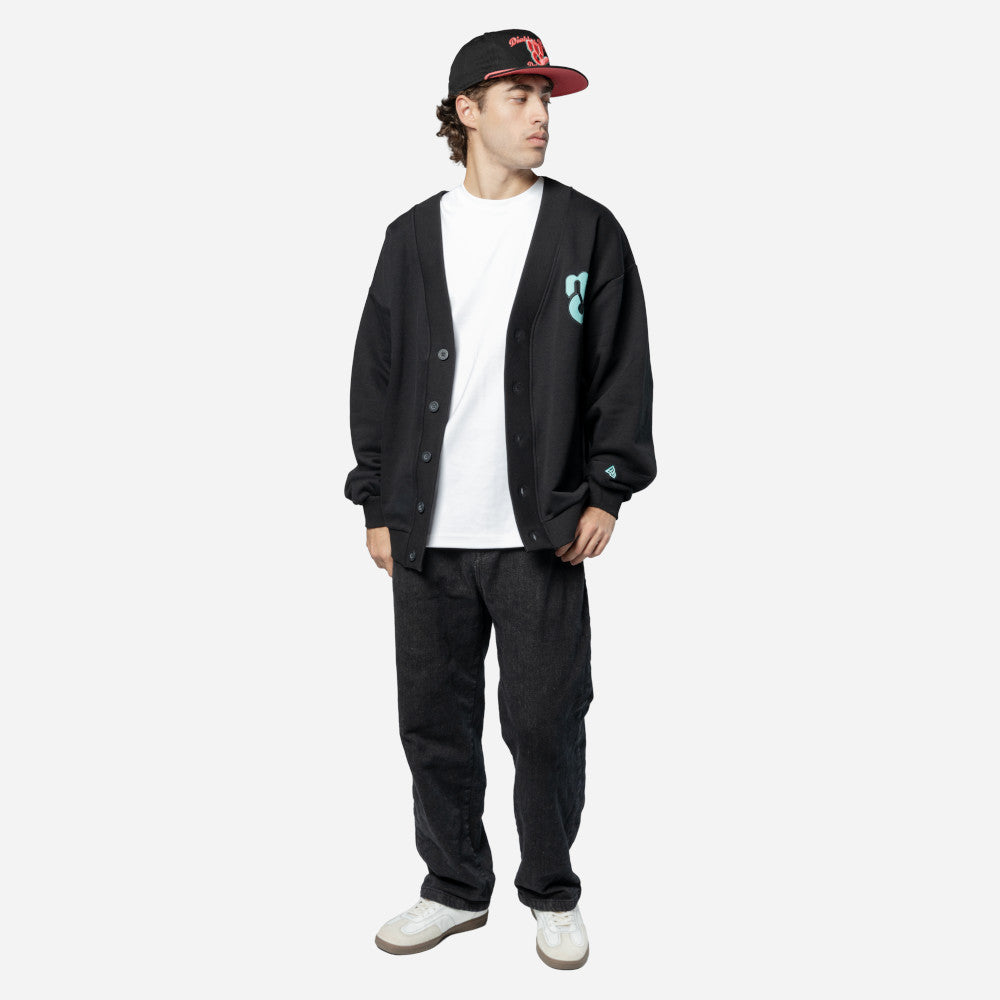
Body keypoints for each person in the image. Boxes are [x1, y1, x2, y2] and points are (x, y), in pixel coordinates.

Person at [344, 28, 656, 971]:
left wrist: (608, 488)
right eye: (519, 95)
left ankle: (551, 890)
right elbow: (377, 376)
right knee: (434, 725)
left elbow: (621, 369)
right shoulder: (412, 236)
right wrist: (376, 503)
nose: (541, 114)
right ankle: (453, 887)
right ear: (466, 110)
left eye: (546, 97)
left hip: (542, 534)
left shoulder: (586, 230)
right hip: (425, 536)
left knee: (548, 723)